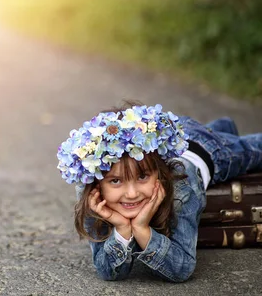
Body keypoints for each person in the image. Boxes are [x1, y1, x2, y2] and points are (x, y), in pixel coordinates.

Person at [55, 102, 262, 282]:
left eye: (142, 177)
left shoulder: (181, 188)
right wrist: (122, 227)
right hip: (170, 139)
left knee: (253, 149)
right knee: (219, 128)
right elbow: (107, 271)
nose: (132, 193)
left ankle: (220, 131)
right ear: (98, 184)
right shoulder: (90, 189)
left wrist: (142, 229)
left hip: (207, 149)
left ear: (159, 173)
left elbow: (182, 268)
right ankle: (223, 126)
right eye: (116, 181)